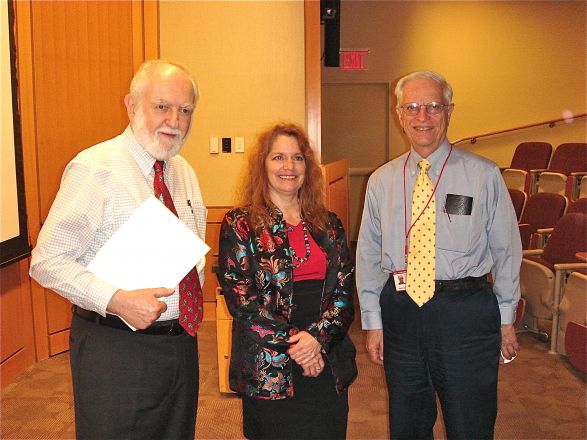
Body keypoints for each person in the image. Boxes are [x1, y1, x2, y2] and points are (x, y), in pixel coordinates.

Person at [29, 60, 206, 440]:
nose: (174, 120)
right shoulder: (95, 168)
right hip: (115, 346)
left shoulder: (184, 172)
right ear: (131, 106)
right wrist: (117, 299)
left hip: (180, 346)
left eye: (185, 109)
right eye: (162, 106)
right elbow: (47, 261)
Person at [356, 71, 522, 440]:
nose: (422, 117)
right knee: (408, 424)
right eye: (412, 107)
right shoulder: (381, 180)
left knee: (470, 423)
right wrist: (373, 321)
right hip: (400, 311)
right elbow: (367, 254)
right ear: (399, 115)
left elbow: (506, 249)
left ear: (449, 111)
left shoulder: (483, 175)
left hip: (465, 313)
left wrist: (506, 316)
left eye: (433, 106)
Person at [218, 123, 357, 440]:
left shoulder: (329, 223)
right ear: (262, 165)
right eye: (278, 157)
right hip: (271, 363)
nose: (289, 167)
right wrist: (299, 344)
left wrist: (317, 341)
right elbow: (244, 305)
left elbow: (344, 295)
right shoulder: (240, 223)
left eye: (297, 158)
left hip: (326, 356)